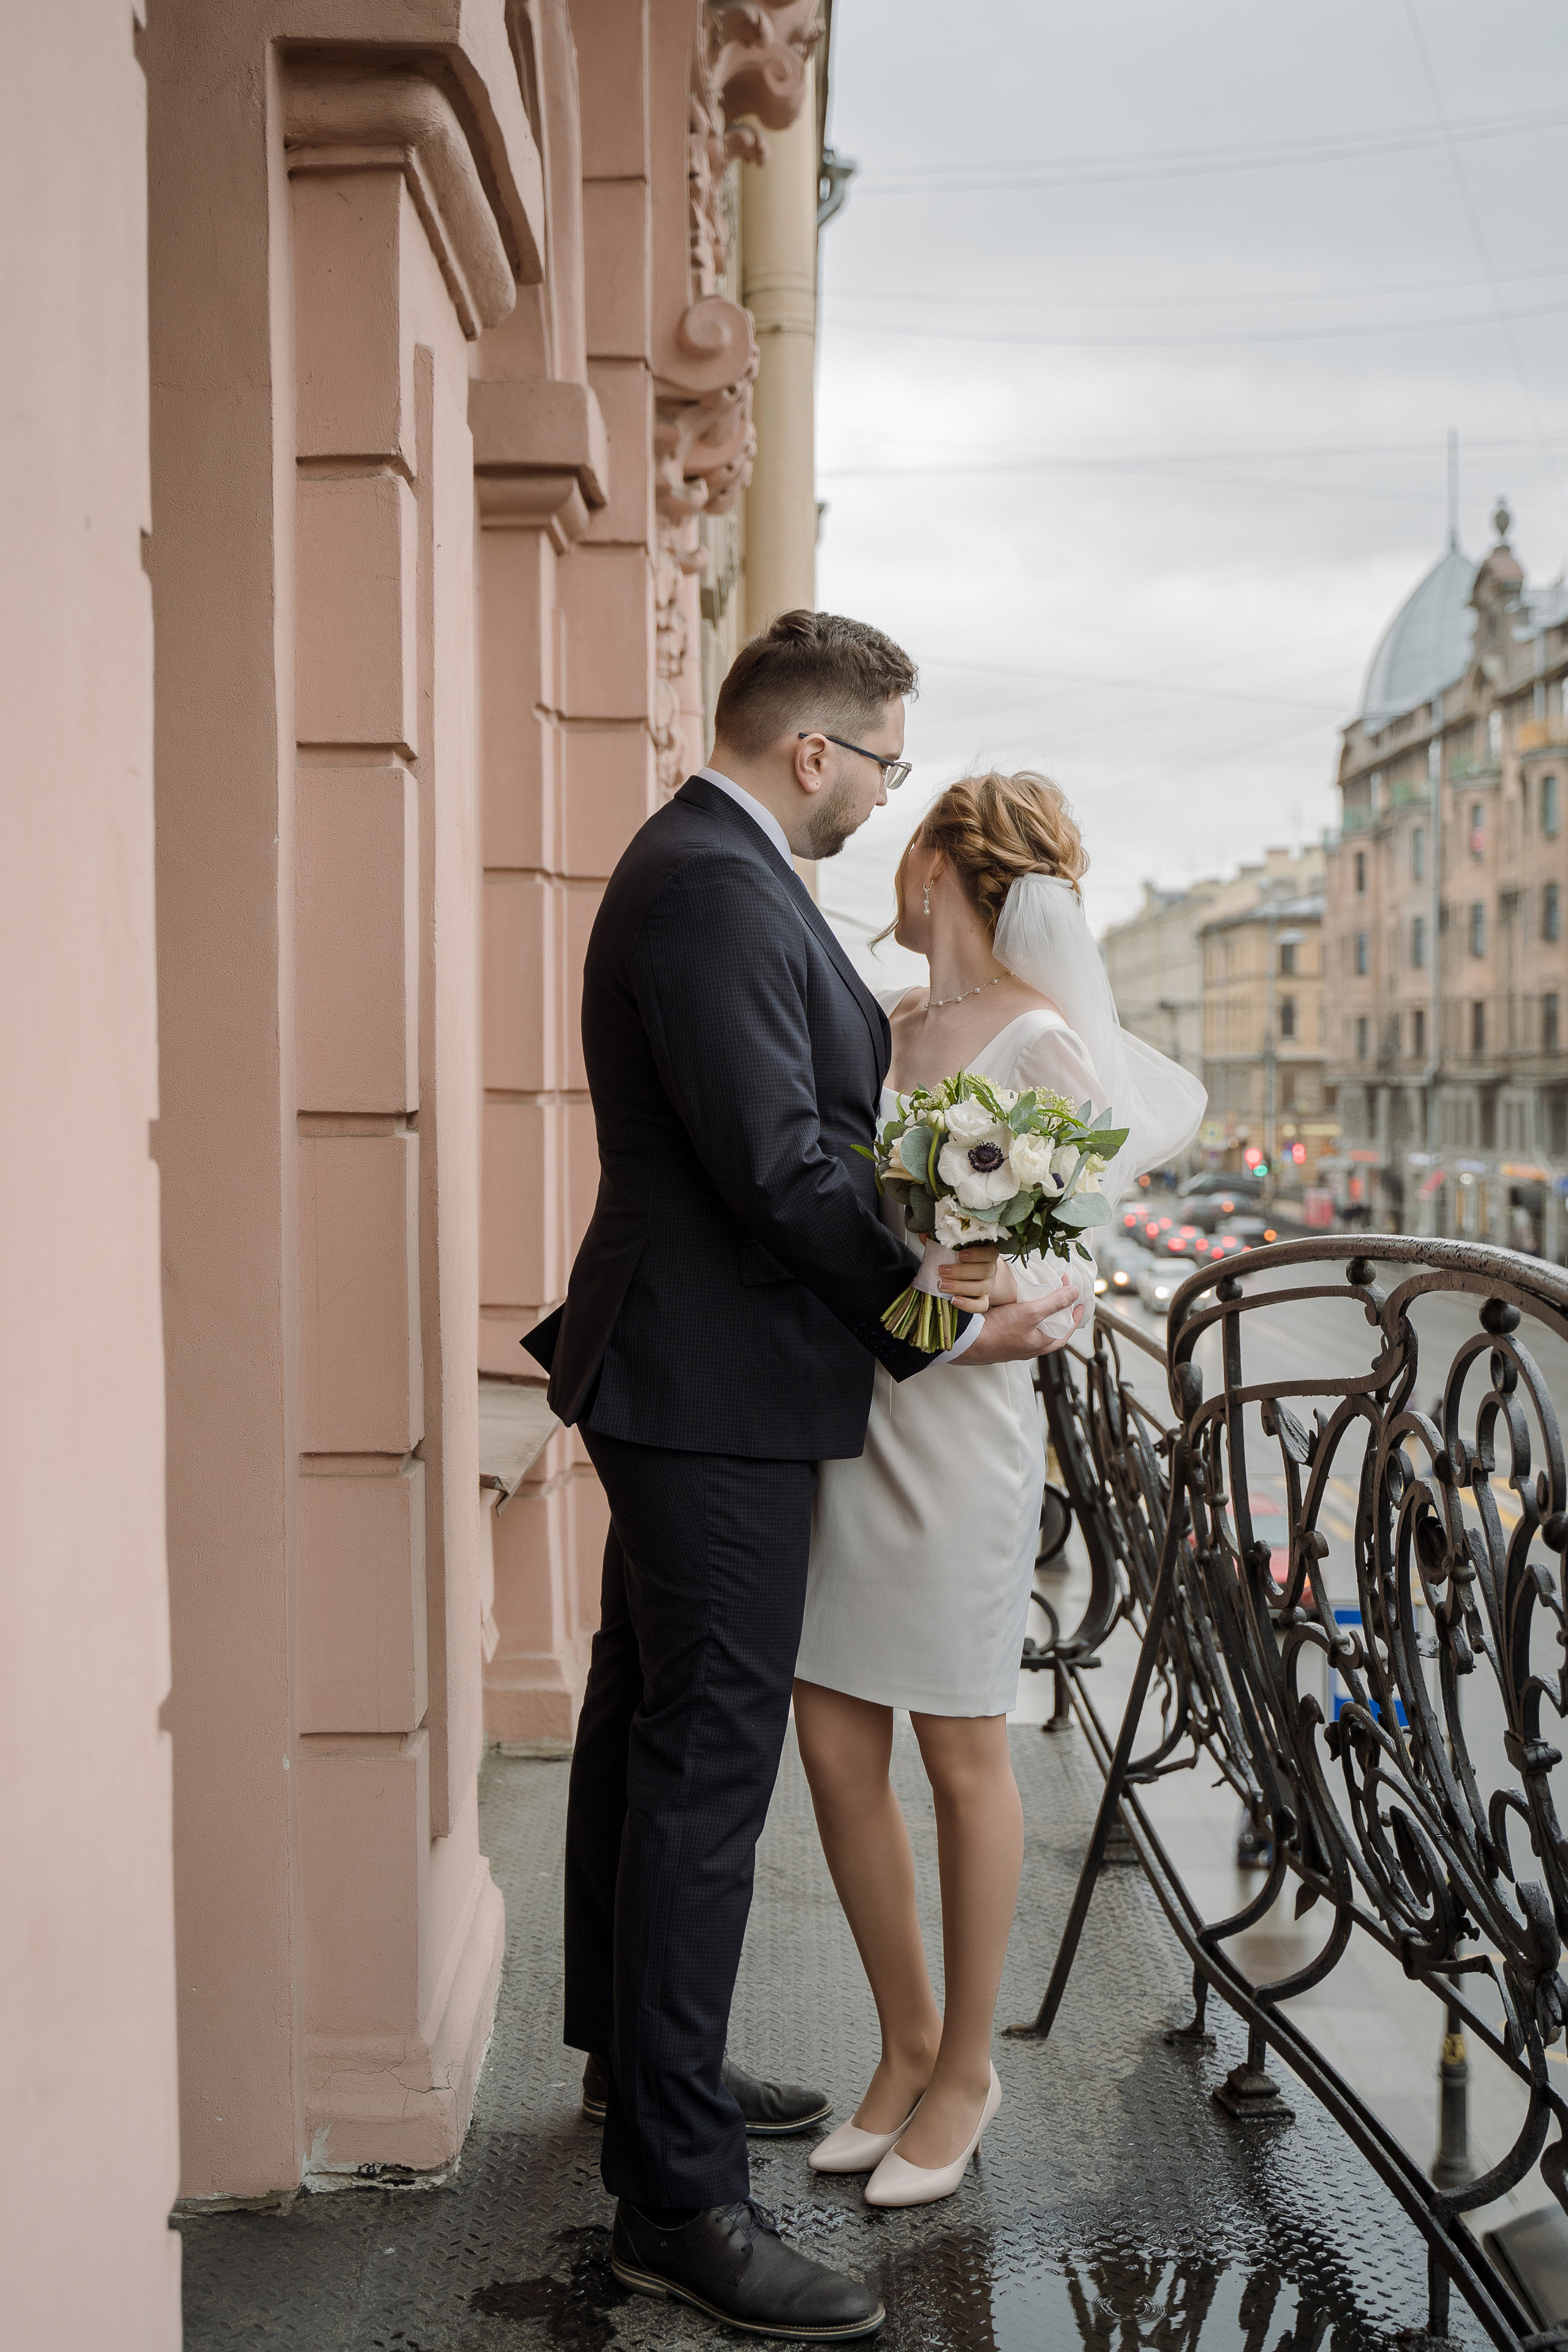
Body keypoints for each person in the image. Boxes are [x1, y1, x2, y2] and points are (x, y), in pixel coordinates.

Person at [522, 617, 1083, 2342]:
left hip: (707, 1381)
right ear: (816, 755)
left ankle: (639, 2072)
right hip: (716, 1391)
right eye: (889, 763)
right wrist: (937, 1318)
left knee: (645, 1726)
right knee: (703, 1772)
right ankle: (677, 2207)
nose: (891, 793)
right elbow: (778, 1162)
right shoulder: (709, 880)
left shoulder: (721, 869)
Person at [794, 771, 1205, 2209]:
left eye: (901, 853)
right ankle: (900, 2044)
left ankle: (964, 2066)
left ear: (938, 866)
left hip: (959, 1435)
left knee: (961, 1752)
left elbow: (1067, 1279)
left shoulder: (1041, 1043)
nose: (884, 879)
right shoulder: (892, 1025)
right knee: (833, 1739)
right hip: (850, 1421)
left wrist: (971, 1288)